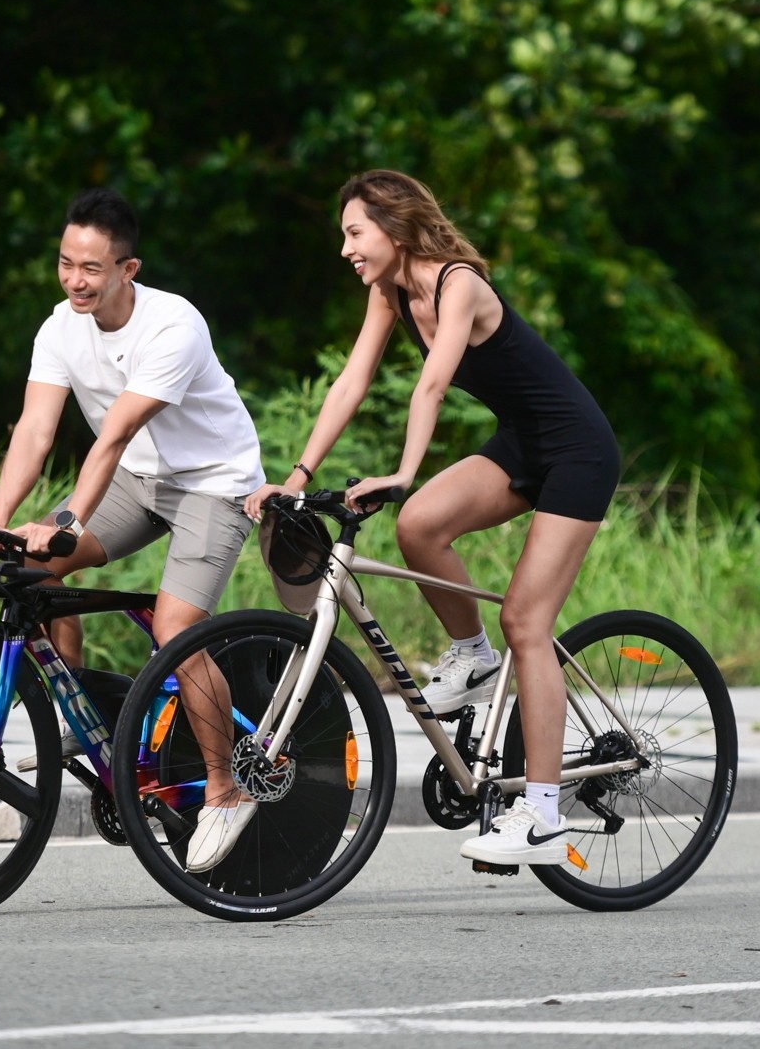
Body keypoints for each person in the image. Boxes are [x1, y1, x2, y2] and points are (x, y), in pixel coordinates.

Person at [245, 169, 621, 865]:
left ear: (394, 227)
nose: (346, 250)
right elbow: (353, 379)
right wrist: (297, 476)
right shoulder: (390, 291)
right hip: (522, 445)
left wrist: (404, 468)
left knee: (527, 622)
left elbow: (434, 381)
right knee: (419, 525)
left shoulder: (459, 284)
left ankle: (540, 814)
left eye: (355, 233)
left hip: (578, 450)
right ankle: (472, 658)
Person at [0, 188, 264, 872]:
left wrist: (68, 520)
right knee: (34, 571)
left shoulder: (173, 325)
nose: (76, 280)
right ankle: (82, 723)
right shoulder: (59, 326)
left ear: (127, 269)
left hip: (213, 482)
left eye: (92, 268)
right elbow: (36, 429)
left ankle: (226, 790)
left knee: (175, 629)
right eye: (65, 263)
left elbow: (112, 435)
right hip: (138, 481)